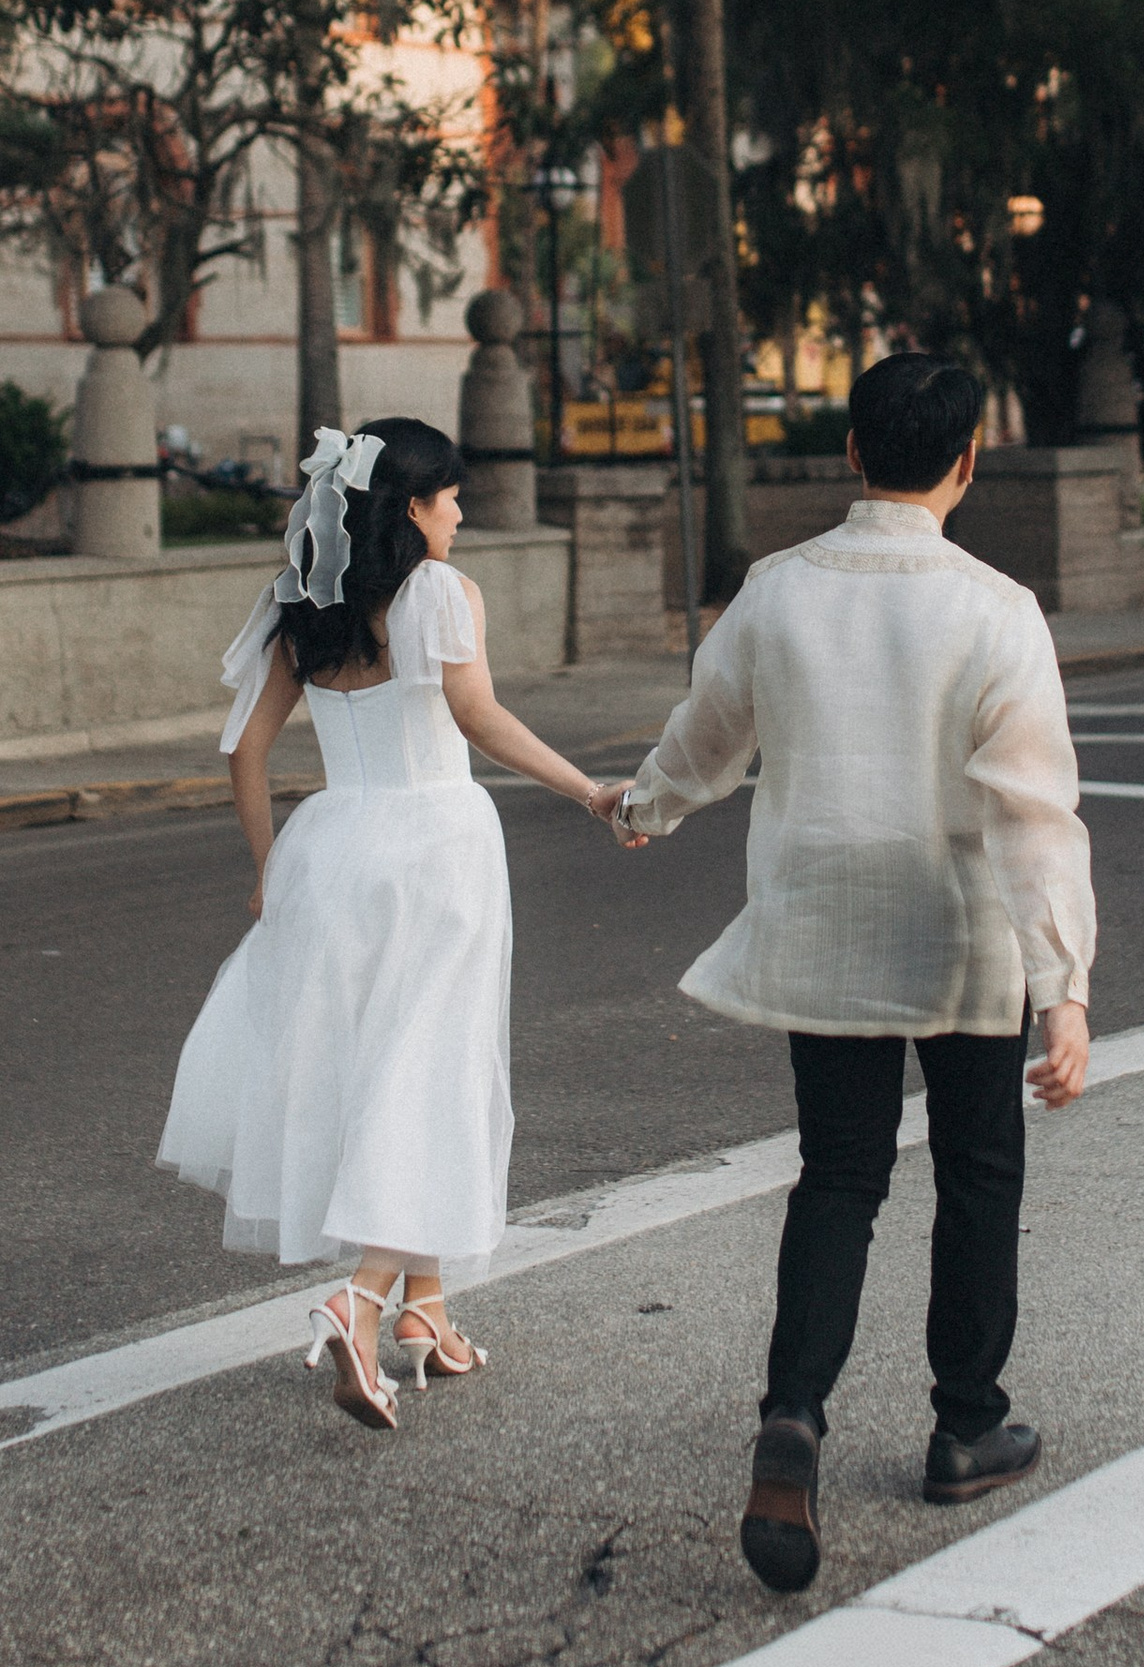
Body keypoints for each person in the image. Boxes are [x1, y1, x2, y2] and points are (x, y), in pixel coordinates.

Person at [615, 353, 1095, 1591]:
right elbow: (1035, 814)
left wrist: (648, 805)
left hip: (823, 917)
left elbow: (706, 735)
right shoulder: (996, 607)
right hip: (958, 925)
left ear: (849, 455)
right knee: (979, 1173)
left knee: (839, 1174)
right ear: (968, 461)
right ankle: (967, 1424)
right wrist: (1066, 988)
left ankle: (794, 1414)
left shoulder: (775, 592)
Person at [159, 417, 629, 1432]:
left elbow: (243, 751)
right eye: (449, 495)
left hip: (330, 851)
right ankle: (360, 1299)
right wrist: (588, 791)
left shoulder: (305, 601)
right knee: (430, 1071)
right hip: (435, 850)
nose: (460, 511)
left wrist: (266, 866)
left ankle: (428, 1316)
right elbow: (480, 720)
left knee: (379, 1066)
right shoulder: (440, 595)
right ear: (410, 507)